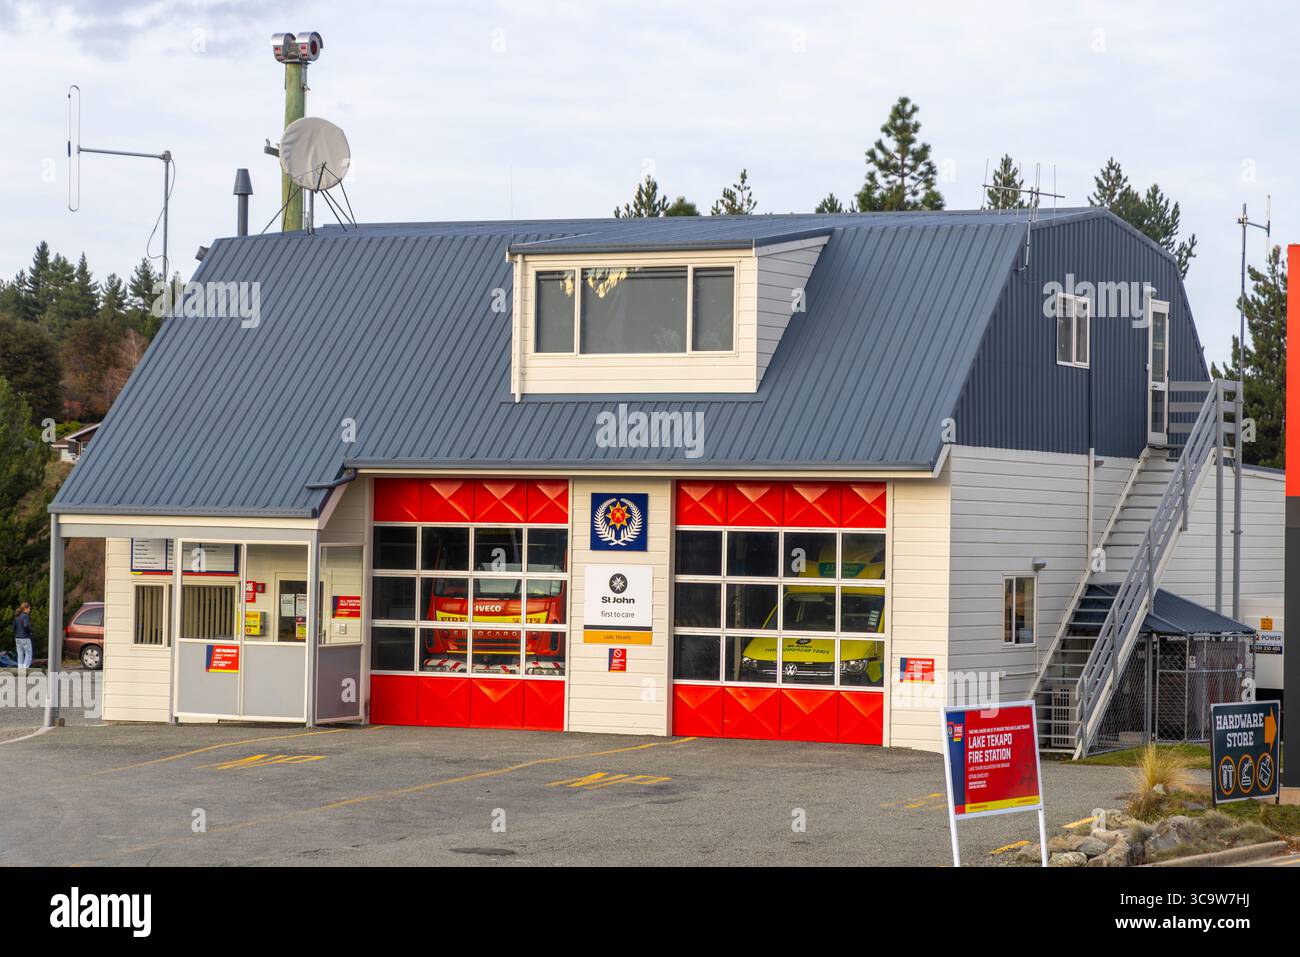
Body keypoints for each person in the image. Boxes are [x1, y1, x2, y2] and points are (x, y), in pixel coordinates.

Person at [13, 601, 33, 670]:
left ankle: (20, 668)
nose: (29, 610)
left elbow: (14, 628)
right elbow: (26, 625)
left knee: (20, 654)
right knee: (28, 653)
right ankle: (25, 668)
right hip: (25, 637)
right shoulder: (25, 616)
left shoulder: (17, 616)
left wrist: (17, 634)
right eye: (29, 608)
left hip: (17, 638)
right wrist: (30, 632)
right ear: (25, 608)